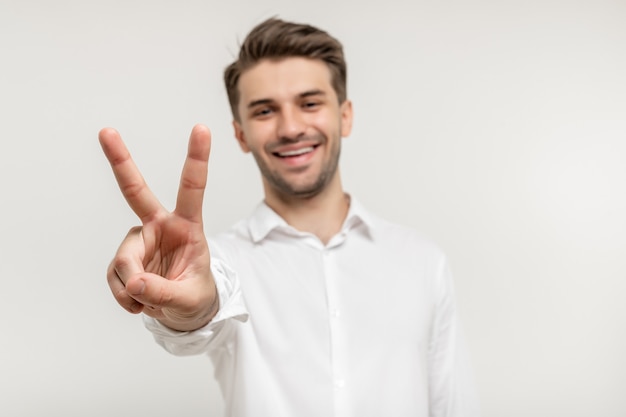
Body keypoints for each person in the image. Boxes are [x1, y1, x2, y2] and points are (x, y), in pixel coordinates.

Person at [99, 18, 480, 417]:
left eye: (310, 103)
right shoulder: (221, 263)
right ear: (241, 134)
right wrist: (187, 311)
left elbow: (453, 404)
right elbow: (199, 317)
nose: (291, 127)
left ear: (345, 115)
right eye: (264, 110)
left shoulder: (422, 260)